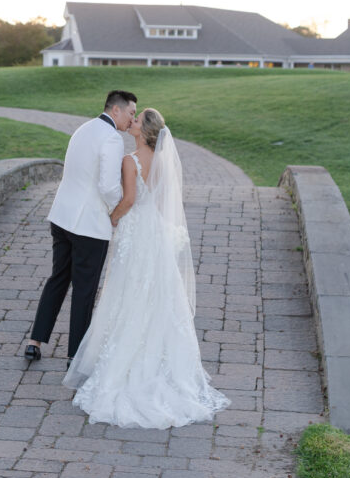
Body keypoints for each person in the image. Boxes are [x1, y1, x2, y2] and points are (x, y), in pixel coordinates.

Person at [63, 108, 230, 429]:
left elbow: (128, 200)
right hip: (154, 231)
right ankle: (161, 360)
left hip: (134, 229)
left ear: (145, 131)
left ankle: (126, 363)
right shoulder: (163, 162)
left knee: (127, 291)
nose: (132, 122)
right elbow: (160, 199)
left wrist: (111, 219)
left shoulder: (131, 161)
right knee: (156, 293)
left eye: (137, 121)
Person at [24, 90, 137, 364]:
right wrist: (115, 213)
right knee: (85, 290)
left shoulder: (83, 128)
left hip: (62, 216)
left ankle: (34, 341)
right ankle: (75, 354)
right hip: (89, 224)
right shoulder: (111, 138)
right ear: (116, 110)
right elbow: (109, 186)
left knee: (58, 278)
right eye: (131, 113)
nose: (132, 119)